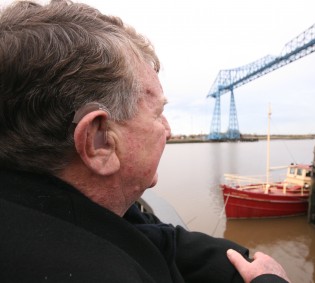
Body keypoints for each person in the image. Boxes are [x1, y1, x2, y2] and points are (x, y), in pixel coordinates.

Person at [0, 1, 291, 282]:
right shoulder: (96, 273)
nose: (169, 131)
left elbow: (152, 237)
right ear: (99, 141)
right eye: (158, 113)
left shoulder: (56, 207)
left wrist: (236, 267)